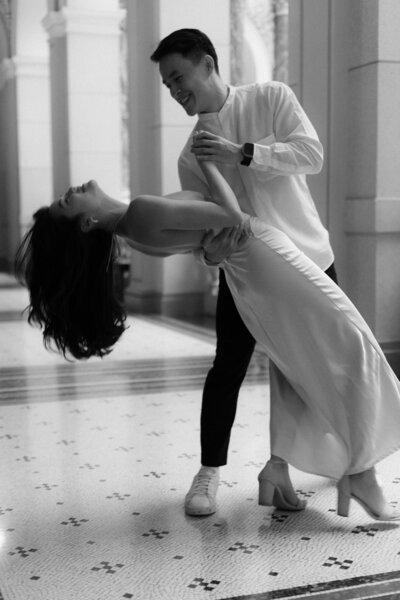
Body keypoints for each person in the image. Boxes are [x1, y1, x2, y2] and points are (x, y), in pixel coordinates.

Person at [15, 165, 400, 522]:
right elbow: (229, 216)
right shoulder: (140, 213)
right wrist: (210, 164)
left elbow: (200, 239)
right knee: (350, 346)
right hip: (265, 256)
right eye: (66, 201)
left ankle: (328, 468)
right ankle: (360, 473)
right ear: (86, 223)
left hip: (253, 265)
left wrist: (211, 251)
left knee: (316, 359)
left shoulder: (135, 226)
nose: (70, 190)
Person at [150, 28, 336, 516]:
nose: (174, 91)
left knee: (323, 367)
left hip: (310, 258)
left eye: (178, 77)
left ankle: (289, 466)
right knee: (228, 366)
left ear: (208, 64)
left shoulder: (271, 98)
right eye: (167, 85)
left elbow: (312, 155)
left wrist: (243, 153)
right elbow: (199, 235)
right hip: (245, 273)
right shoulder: (189, 156)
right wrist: (211, 256)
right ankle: (208, 472)